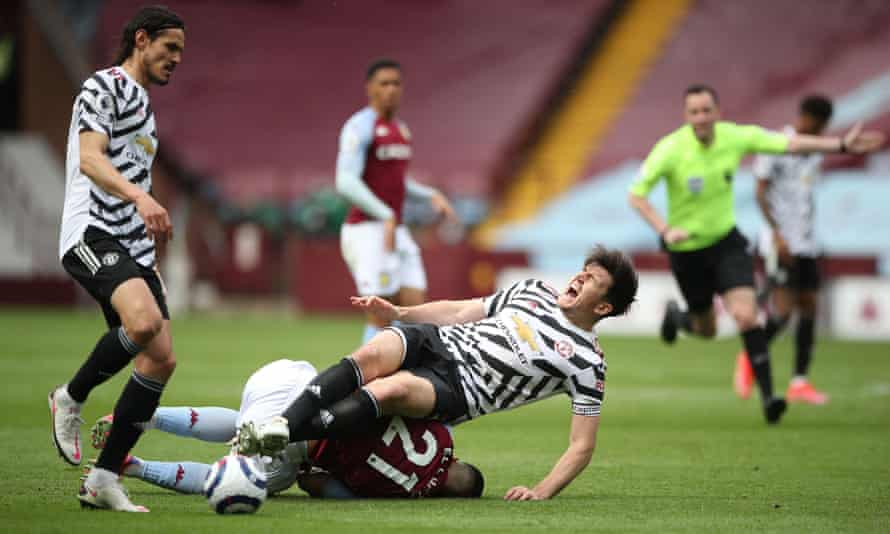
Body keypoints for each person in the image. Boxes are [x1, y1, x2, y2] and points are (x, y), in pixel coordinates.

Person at [240, 246, 638, 501]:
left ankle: (281, 437)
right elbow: (464, 311)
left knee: (390, 390)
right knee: (371, 354)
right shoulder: (532, 290)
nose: (580, 278)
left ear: (603, 308)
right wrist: (399, 314)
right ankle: (279, 427)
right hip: (436, 341)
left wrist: (542, 491)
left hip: (460, 388)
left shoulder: (588, 362)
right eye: (583, 271)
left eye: (592, 281)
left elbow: (582, 445)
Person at [627, 84, 884, 424]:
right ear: (686, 116)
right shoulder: (670, 149)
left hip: (726, 243)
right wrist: (664, 230)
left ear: (717, 112)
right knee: (705, 328)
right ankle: (678, 317)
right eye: (694, 112)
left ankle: (769, 398)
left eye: (707, 110)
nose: (701, 117)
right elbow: (637, 195)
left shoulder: (734, 137)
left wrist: (838, 145)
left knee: (747, 316)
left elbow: (789, 143)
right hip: (686, 251)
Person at [48, 6, 185, 512]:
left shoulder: (144, 105)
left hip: (131, 243)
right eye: (170, 48)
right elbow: (90, 157)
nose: (176, 60)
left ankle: (103, 479)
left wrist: (147, 229)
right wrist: (142, 200)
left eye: (181, 53)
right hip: (93, 230)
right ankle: (71, 395)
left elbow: (132, 168)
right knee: (144, 323)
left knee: (161, 358)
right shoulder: (101, 86)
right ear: (141, 39)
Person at [89, 359, 484, 499]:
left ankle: (146, 416)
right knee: (231, 478)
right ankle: (134, 466)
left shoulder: (440, 434)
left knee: (248, 424)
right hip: (296, 442)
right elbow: (319, 486)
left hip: (293, 379)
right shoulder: (408, 489)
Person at [336, 58, 458, 344]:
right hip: (366, 230)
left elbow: (395, 181)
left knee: (416, 309)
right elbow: (346, 181)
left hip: (395, 229)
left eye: (396, 83)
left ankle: (402, 376)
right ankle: (369, 382)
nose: (391, 89)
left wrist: (429, 194)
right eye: (384, 83)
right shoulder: (359, 126)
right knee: (380, 314)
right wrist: (385, 214)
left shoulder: (401, 130)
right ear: (370, 89)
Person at [734, 96, 836, 405]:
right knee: (785, 311)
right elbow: (760, 192)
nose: (819, 130)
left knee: (809, 308)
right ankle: (750, 356)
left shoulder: (815, 151)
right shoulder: (777, 145)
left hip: (807, 243)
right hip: (779, 243)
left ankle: (799, 381)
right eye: (817, 124)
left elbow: (804, 197)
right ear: (805, 117)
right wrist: (777, 235)